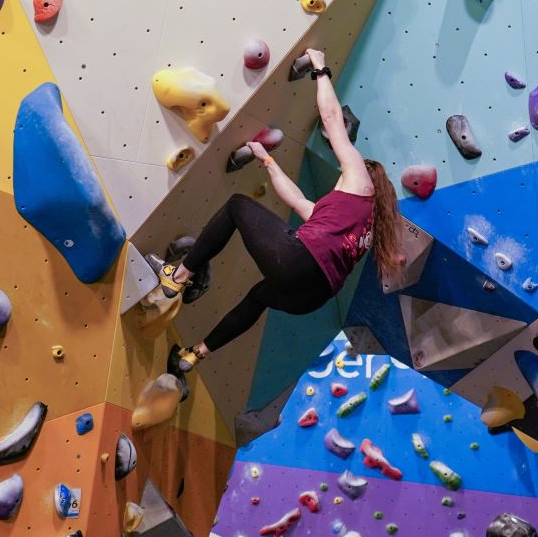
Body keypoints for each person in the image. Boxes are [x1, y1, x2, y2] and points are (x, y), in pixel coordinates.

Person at [163, 51, 399, 374]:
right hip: (312, 296)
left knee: (236, 206)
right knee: (258, 297)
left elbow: (331, 119)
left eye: (344, 173)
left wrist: (320, 68)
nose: (340, 177)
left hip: (300, 261)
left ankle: (177, 278)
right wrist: (267, 161)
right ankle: (194, 355)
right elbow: (299, 201)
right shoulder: (359, 226)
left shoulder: (361, 179)